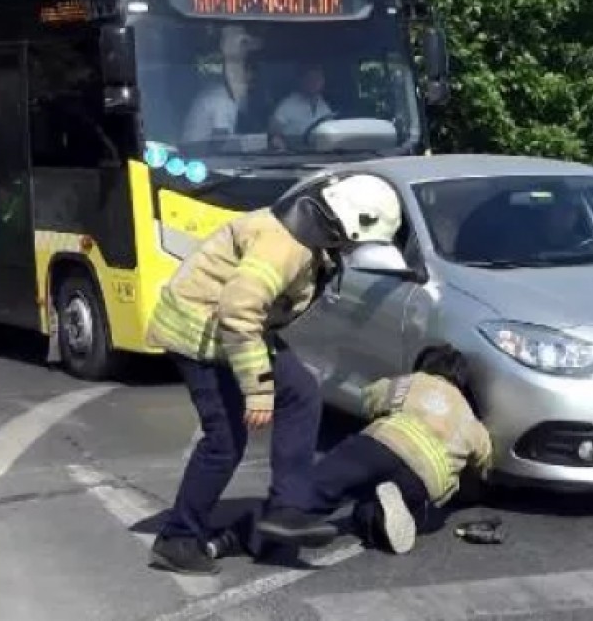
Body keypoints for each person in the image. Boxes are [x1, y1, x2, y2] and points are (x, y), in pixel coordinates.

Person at [146, 170, 404, 576]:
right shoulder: (284, 245)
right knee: (224, 440)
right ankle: (178, 538)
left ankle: (286, 509)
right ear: (351, 224)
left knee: (301, 392)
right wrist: (259, 391)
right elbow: (238, 311)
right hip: (200, 333)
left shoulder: (308, 234)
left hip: (232, 330)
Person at [211, 346, 493, 559]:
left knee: (311, 489)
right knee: (383, 510)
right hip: (426, 478)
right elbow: (484, 461)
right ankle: (378, 515)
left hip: (384, 444)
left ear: (426, 366)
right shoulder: (470, 420)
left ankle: (230, 540)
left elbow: (371, 397)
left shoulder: (414, 381)